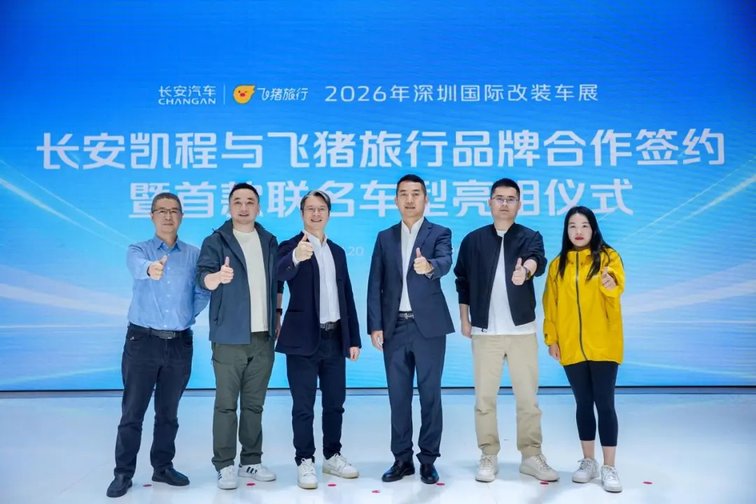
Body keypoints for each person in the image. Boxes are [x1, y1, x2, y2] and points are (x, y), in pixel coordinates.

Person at [453, 177, 558, 484]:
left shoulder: (529, 236)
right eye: (499, 198)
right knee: (484, 399)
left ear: (519, 204)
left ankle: (531, 455)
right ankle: (488, 454)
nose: (504, 203)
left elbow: (537, 260)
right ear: (490, 202)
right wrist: (465, 319)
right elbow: (462, 281)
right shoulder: (473, 240)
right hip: (485, 332)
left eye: (511, 199)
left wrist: (525, 270)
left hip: (522, 331)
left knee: (528, 400)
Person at [107, 192, 209, 498]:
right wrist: (151, 269)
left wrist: (186, 315)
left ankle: (162, 467)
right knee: (133, 412)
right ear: (152, 216)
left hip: (179, 343)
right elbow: (138, 266)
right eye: (162, 211)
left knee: (168, 412)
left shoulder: (193, 254)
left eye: (174, 211)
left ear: (182, 217)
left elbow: (202, 291)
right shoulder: (138, 250)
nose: (168, 216)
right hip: (143, 341)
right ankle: (123, 473)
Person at [367, 174, 454, 485]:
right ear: (395, 200)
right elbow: (375, 283)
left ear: (425, 199)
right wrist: (375, 325)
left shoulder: (439, 232)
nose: (409, 199)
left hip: (428, 327)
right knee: (398, 396)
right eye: (403, 193)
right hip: (395, 328)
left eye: (416, 193)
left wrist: (429, 267)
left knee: (430, 395)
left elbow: (445, 261)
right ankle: (402, 459)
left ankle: (428, 460)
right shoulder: (385, 237)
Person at [196, 182, 281, 490]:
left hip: (263, 336)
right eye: (237, 202)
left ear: (258, 207)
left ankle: (251, 460)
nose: (243, 207)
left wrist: (277, 315)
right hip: (229, 336)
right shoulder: (216, 241)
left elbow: (277, 283)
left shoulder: (269, 241)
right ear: (229, 206)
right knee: (226, 404)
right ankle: (224, 464)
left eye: (250, 202)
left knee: (254, 404)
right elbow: (201, 278)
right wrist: (216, 277)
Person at [276, 190, 362, 489]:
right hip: (302, 340)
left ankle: (332, 455)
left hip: (335, 337)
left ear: (328, 213)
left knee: (335, 403)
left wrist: (353, 339)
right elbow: (279, 273)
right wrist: (295, 258)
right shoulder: (290, 246)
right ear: (301, 214)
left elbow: (346, 295)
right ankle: (305, 459)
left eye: (321, 208)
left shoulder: (337, 251)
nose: (316, 214)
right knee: (303, 405)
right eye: (310, 209)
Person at [542, 206, 625, 493]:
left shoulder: (608, 257)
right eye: (572, 226)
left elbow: (617, 287)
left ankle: (609, 466)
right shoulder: (557, 265)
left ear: (593, 229)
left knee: (605, 404)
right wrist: (552, 338)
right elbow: (550, 304)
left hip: (604, 344)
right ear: (566, 231)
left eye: (584, 226)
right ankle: (588, 461)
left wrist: (610, 283)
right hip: (571, 346)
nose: (578, 231)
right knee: (583, 403)